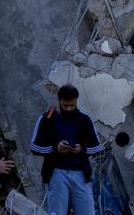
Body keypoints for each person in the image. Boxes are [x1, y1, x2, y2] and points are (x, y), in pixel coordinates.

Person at [30, 85, 102, 215]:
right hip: (56, 173)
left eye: (72, 106)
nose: (69, 109)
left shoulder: (84, 119)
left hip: (80, 174)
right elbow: (34, 147)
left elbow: (97, 147)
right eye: (65, 105)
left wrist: (82, 149)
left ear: (76, 102)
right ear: (59, 101)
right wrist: (55, 148)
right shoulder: (47, 119)